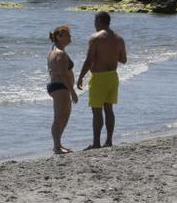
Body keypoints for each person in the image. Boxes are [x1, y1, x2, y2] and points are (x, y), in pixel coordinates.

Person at [77, 11, 127, 149]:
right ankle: (109, 141)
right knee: (109, 109)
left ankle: (96, 143)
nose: (94, 24)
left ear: (99, 21)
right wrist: (111, 54)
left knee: (97, 110)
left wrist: (81, 76)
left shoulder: (95, 38)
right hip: (112, 76)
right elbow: (123, 60)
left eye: (95, 21)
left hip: (99, 77)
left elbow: (89, 60)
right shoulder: (119, 38)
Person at [47, 25, 79, 154]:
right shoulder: (59, 53)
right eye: (68, 35)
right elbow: (62, 74)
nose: (70, 37)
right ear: (59, 37)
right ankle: (56, 147)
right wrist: (72, 91)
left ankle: (59, 144)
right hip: (61, 87)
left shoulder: (54, 50)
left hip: (58, 87)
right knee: (59, 117)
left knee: (64, 116)